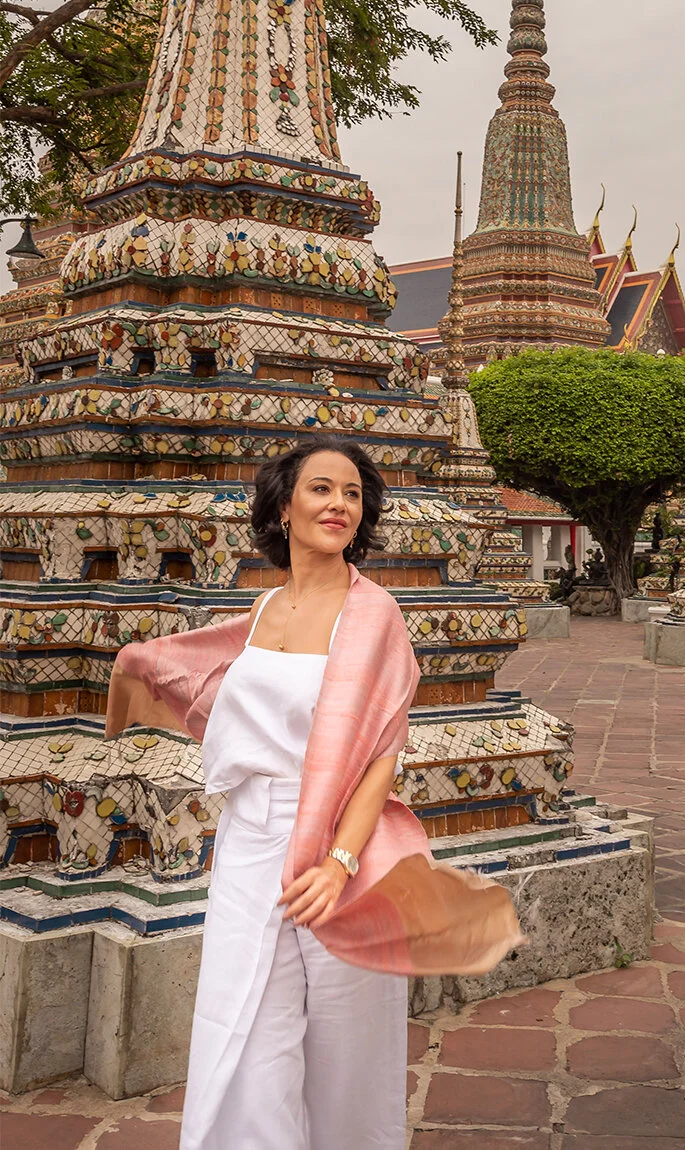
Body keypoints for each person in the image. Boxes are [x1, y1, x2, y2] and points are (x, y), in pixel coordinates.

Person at [105, 436, 522, 1149]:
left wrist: (339, 863)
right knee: (244, 1037)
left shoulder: (376, 616)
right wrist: (136, 667)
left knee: (349, 1047)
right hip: (248, 843)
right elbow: (207, 674)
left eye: (354, 493)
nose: (340, 504)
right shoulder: (264, 611)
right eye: (322, 489)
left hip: (339, 844)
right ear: (284, 506)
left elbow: (380, 760)